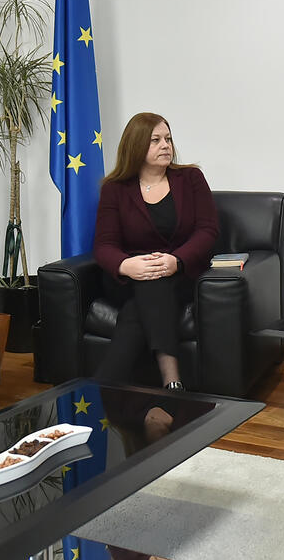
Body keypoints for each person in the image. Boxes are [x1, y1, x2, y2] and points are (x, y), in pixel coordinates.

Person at [92, 113, 219, 389]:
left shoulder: (190, 178)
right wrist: (127, 266)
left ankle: (103, 388)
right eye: (156, 140)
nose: (165, 145)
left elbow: (208, 230)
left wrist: (177, 261)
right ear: (136, 145)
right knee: (150, 280)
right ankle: (171, 381)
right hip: (129, 277)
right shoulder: (115, 189)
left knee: (148, 292)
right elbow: (104, 245)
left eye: (168, 139)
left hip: (180, 274)